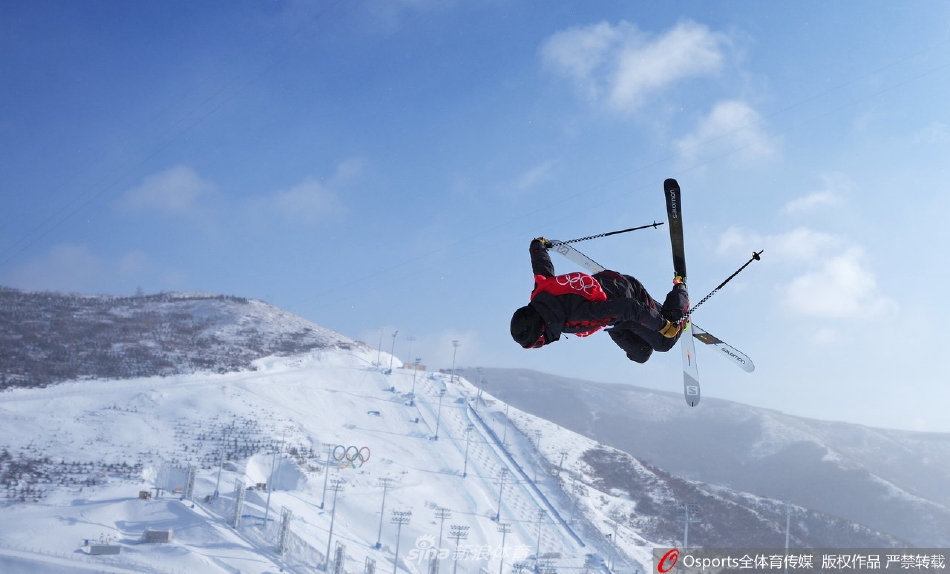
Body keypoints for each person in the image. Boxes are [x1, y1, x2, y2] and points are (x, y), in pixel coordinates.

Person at [509, 238, 689, 363]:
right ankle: (654, 318)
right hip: (612, 314)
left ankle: (680, 295)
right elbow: (541, 266)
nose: (543, 343)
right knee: (640, 355)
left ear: (541, 332)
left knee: (664, 342)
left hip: (629, 294)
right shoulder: (540, 295)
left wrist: (662, 326)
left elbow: (629, 307)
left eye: (538, 343)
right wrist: (537, 245)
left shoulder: (577, 318)